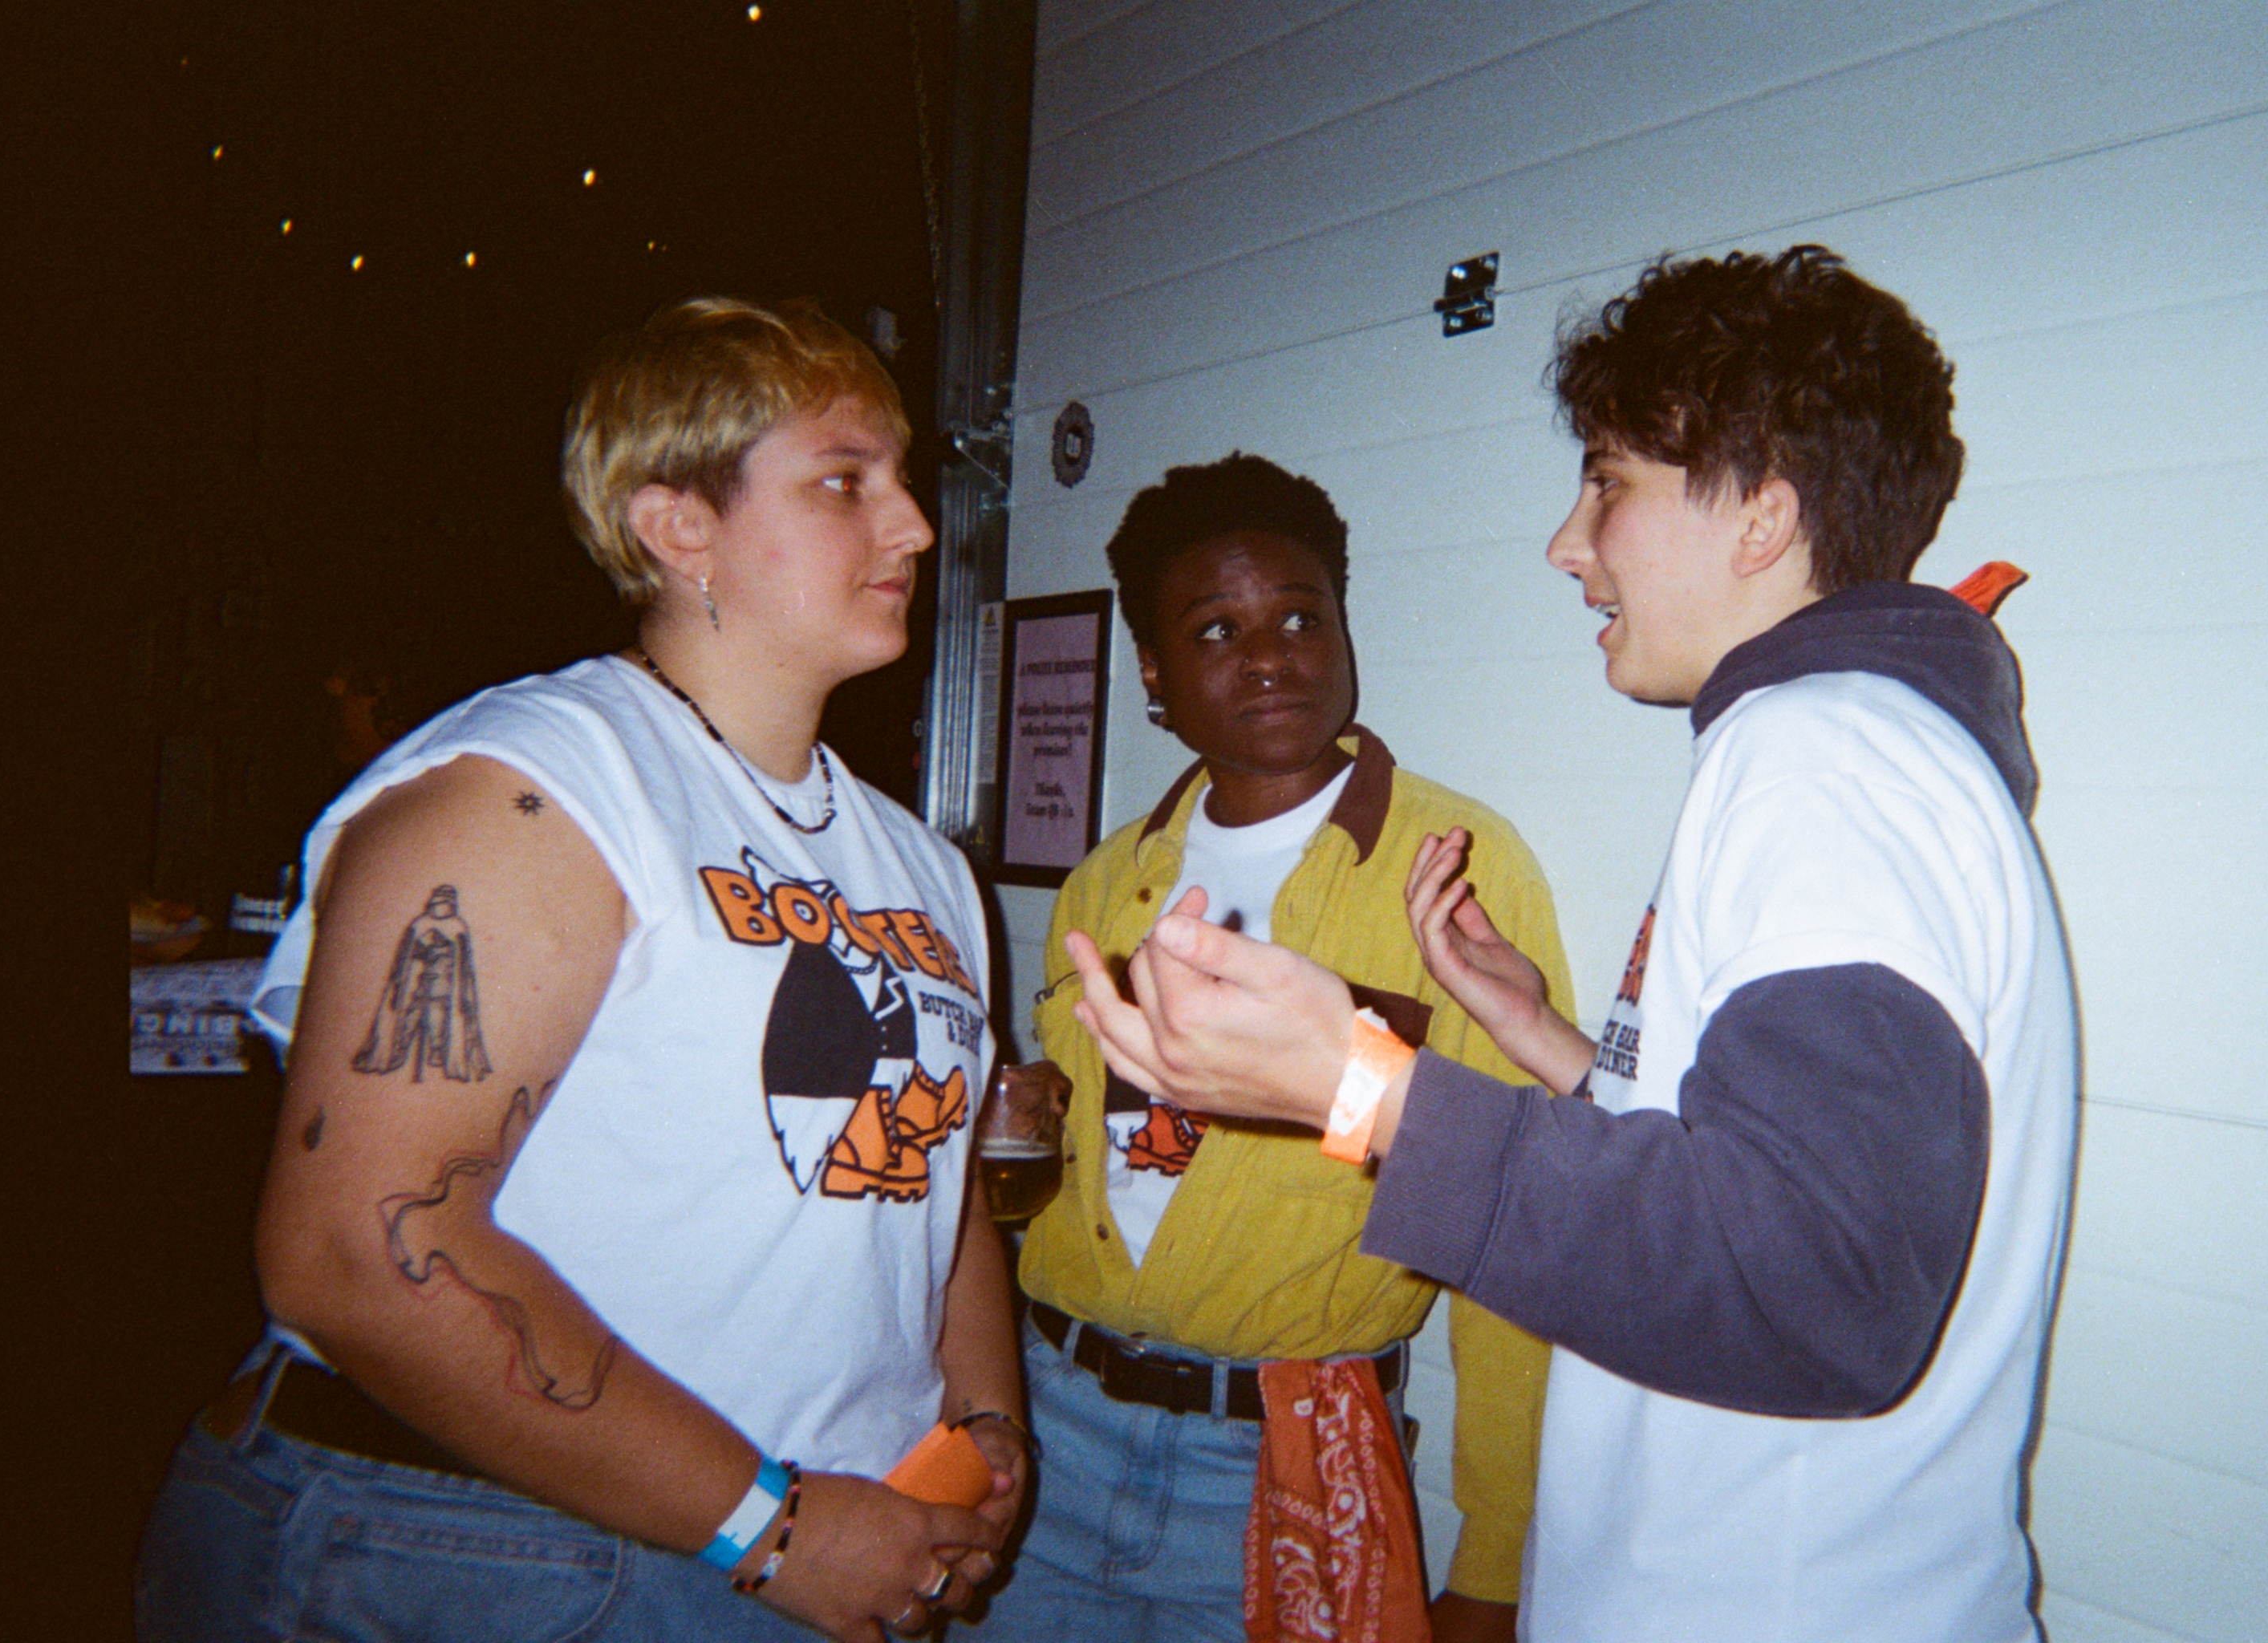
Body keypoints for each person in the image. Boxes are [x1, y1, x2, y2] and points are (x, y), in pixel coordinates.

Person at [1066, 247, 2077, 1643]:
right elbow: (1751, 1187)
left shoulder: (1816, 753)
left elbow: (1823, 1288)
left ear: (1761, 517)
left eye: (1607, 485)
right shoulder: (1855, 750)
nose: (1566, 542)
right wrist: (1546, 1043)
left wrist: (1352, 1088)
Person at [136, 298, 1023, 1643]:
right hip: (497, 1551)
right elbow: (355, 1252)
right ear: (679, 527)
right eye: (847, 483)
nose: (910, 526)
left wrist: (982, 1427)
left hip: (816, 1549)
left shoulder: (922, 865)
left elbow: (931, 1190)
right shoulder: (533, 792)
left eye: (900, 485)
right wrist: (770, 1524)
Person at [977, 454, 1573, 1642]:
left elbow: (1518, 1222)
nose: (1268, 655)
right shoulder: (1108, 876)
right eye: (1214, 629)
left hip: (1276, 1464)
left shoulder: (1452, 864)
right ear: (1152, 672)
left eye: (1301, 617)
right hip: (1046, 1438)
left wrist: (1496, 1560)